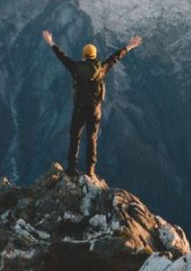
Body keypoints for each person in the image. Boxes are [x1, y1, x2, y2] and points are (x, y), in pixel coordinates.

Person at [42, 30, 143, 178]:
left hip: (79, 109)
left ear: (83, 55)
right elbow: (115, 58)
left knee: (75, 137)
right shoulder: (102, 68)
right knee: (92, 138)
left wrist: (51, 43)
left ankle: (71, 168)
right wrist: (129, 46)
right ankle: (90, 170)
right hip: (95, 109)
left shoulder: (75, 68)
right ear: (95, 55)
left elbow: (62, 57)